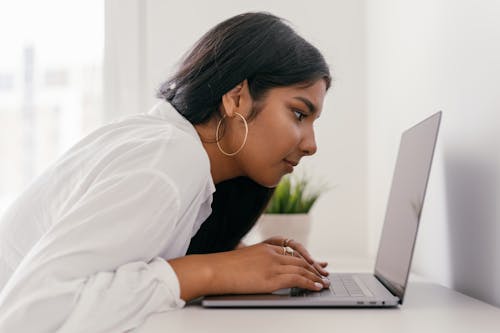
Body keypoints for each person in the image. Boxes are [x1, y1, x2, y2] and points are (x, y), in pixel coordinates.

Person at [0, 11, 332, 332]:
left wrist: (240, 260)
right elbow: (27, 316)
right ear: (237, 98)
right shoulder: (170, 158)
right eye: (299, 114)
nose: (311, 145)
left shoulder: (172, 151)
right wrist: (208, 272)